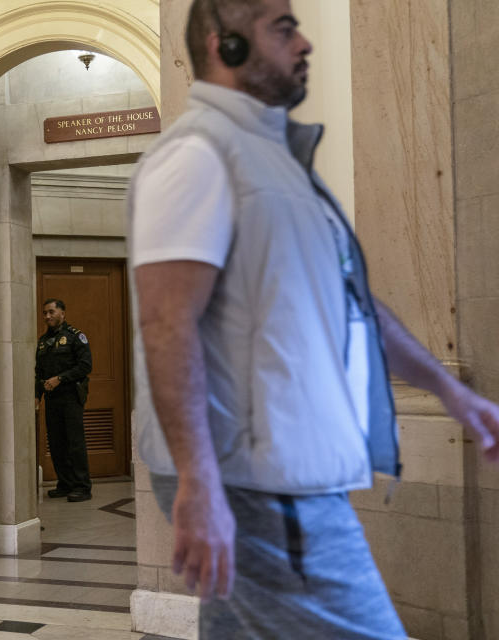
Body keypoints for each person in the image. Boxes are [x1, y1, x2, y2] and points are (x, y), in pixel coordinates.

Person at [128, 0, 499, 637]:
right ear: (226, 46)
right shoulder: (196, 158)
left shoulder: (275, 167)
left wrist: (449, 390)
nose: (304, 44)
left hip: (270, 477)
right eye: (282, 28)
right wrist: (199, 484)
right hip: (259, 483)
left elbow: (355, 304)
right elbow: (167, 325)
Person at [35, 299, 93, 502]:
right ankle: (65, 483)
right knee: (57, 443)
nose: (47, 316)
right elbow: (39, 372)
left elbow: (85, 366)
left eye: (51, 312)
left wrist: (60, 379)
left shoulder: (76, 337)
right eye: (44, 313)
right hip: (52, 399)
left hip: (71, 396)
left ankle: (82, 487)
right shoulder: (43, 341)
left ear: (62, 313)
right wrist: (37, 395)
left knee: (74, 443)